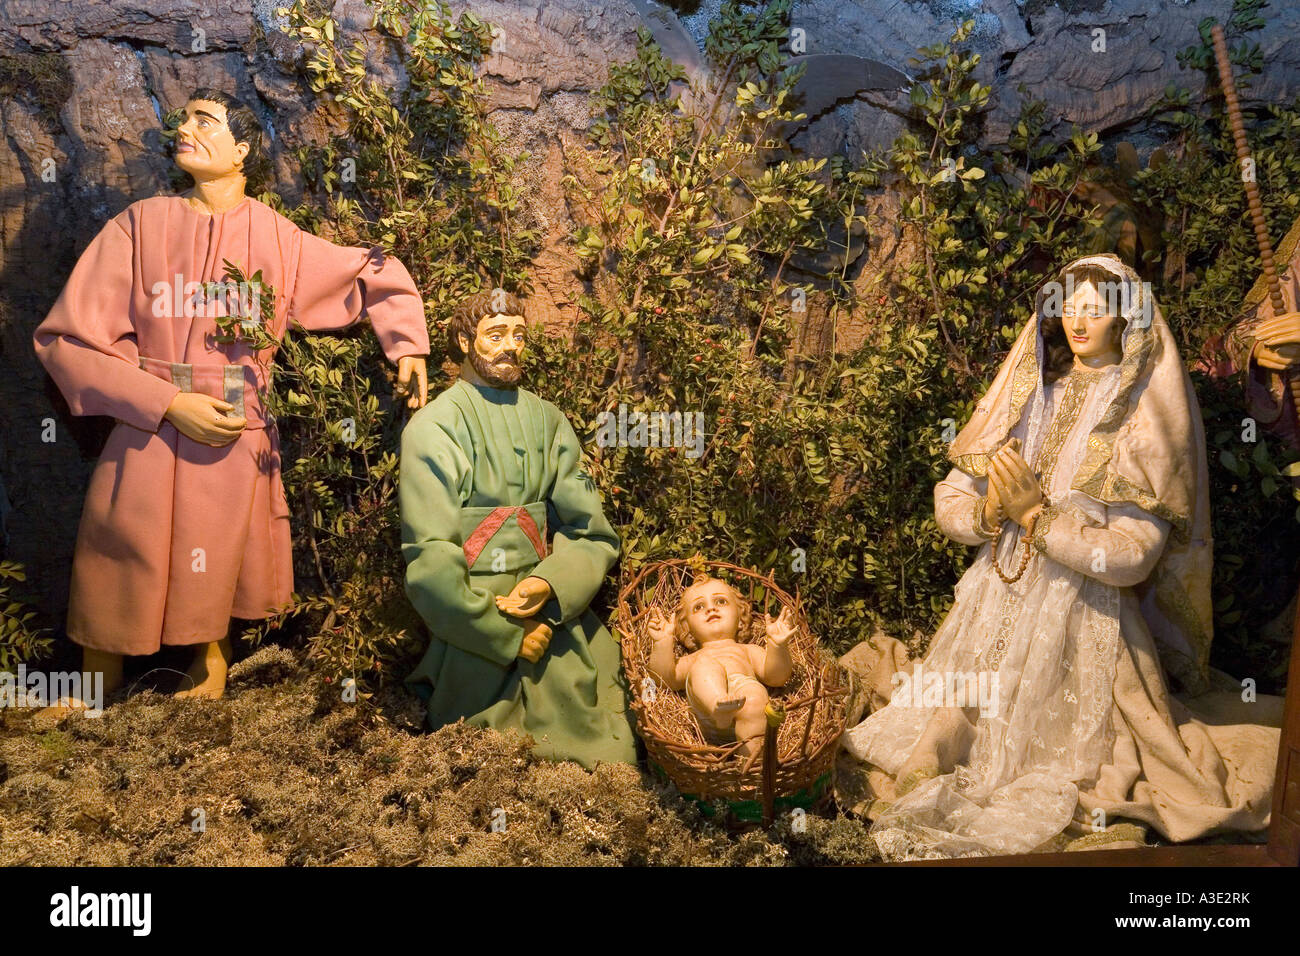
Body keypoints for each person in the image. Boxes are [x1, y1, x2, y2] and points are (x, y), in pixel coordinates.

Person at [841, 254, 1283, 859]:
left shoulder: (1139, 418)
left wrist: (1035, 519)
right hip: (996, 597)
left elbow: (1134, 558)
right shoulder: (1032, 397)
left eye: (1096, 310)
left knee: (1058, 762)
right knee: (955, 717)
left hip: (1084, 616)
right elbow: (952, 494)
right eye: (1069, 306)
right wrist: (990, 514)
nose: (1079, 321)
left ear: (1124, 320)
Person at [32, 89, 430, 707]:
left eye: (204, 120)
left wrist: (407, 343)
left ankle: (208, 661)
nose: (184, 128)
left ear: (242, 149)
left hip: (230, 425)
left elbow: (366, 271)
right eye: (184, 117)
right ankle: (94, 681)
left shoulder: (278, 237)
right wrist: (162, 401)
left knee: (214, 544)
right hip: (147, 419)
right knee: (118, 539)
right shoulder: (140, 225)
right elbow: (67, 339)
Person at [400, 289, 636, 768]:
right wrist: (503, 634)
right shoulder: (433, 427)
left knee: (603, 723)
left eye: (519, 335)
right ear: (465, 341)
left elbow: (591, 531)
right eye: (494, 334)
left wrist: (549, 583)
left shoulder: (549, 421)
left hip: (552, 614)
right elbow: (430, 558)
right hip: (474, 623)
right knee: (484, 749)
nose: (510, 345)